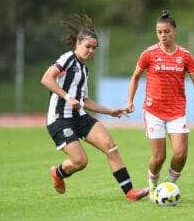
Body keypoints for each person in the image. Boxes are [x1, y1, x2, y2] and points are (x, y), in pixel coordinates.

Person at [41, 14, 149, 202]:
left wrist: (110, 111)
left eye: (94, 48)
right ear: (77, 44)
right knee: (80, 162)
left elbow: (84, 100)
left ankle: (130, 193)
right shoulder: (67, 59)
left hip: (80, 117)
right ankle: (58, 172)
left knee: (111, 147)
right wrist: (67, 97)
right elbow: (46, 78)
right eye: (87, 47)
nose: (91, 51)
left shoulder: (84, 70)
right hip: (59, 118)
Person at [125, 10, 194, 201]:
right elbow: (135, 77)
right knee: (159, 157)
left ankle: (168, 186)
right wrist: (130, 101)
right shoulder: (149, 54)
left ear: (174, 31)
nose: (162, 35)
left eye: (166, 31)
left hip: (177, 112)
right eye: (159, 32)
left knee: (180, 154)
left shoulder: (185, 56)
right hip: (153, 111)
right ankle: (153, 187)